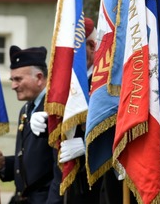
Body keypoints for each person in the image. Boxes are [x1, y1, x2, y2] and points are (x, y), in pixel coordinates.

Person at [0, 46, 63, 204]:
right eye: (12, 80)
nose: (13, 86)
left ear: (39, 78)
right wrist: (5, 164)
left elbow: (60, 168)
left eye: (18, 79)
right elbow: (33, 162)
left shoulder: (55, 108)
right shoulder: (26, 108)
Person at [61, 17, 103, 203]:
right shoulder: (70, 80)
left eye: (75, 52)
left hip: (100, 178)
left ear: (92, 47)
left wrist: (88, 146)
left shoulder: (105, 82)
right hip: (73, 178)